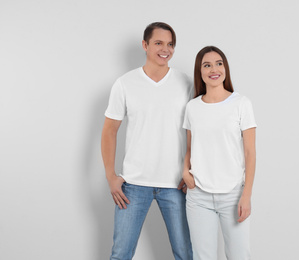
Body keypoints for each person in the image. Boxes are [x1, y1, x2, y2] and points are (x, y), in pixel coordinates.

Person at [101, 22, 193, 260]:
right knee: (120, 254)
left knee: (185, 253)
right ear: (145, 45)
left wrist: (188, 169)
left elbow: (195, 131)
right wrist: (111, 175)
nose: (166, 49)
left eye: (170, 44)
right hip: (132, 184)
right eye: (158, 43)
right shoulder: (125, 83)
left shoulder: (185, 83)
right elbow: (109, 131)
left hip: (175, 185)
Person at [181, 46, 257, 260]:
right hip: (198, 196)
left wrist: (246, 195)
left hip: (233, 194)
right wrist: (184, 171)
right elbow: (189, 148)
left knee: (239, 256)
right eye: (207, 65)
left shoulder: (241, 104)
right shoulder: (192, 107)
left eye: (218, 63)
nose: (214, 69)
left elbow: (250, 153)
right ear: (200, 71)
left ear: (225, 68)